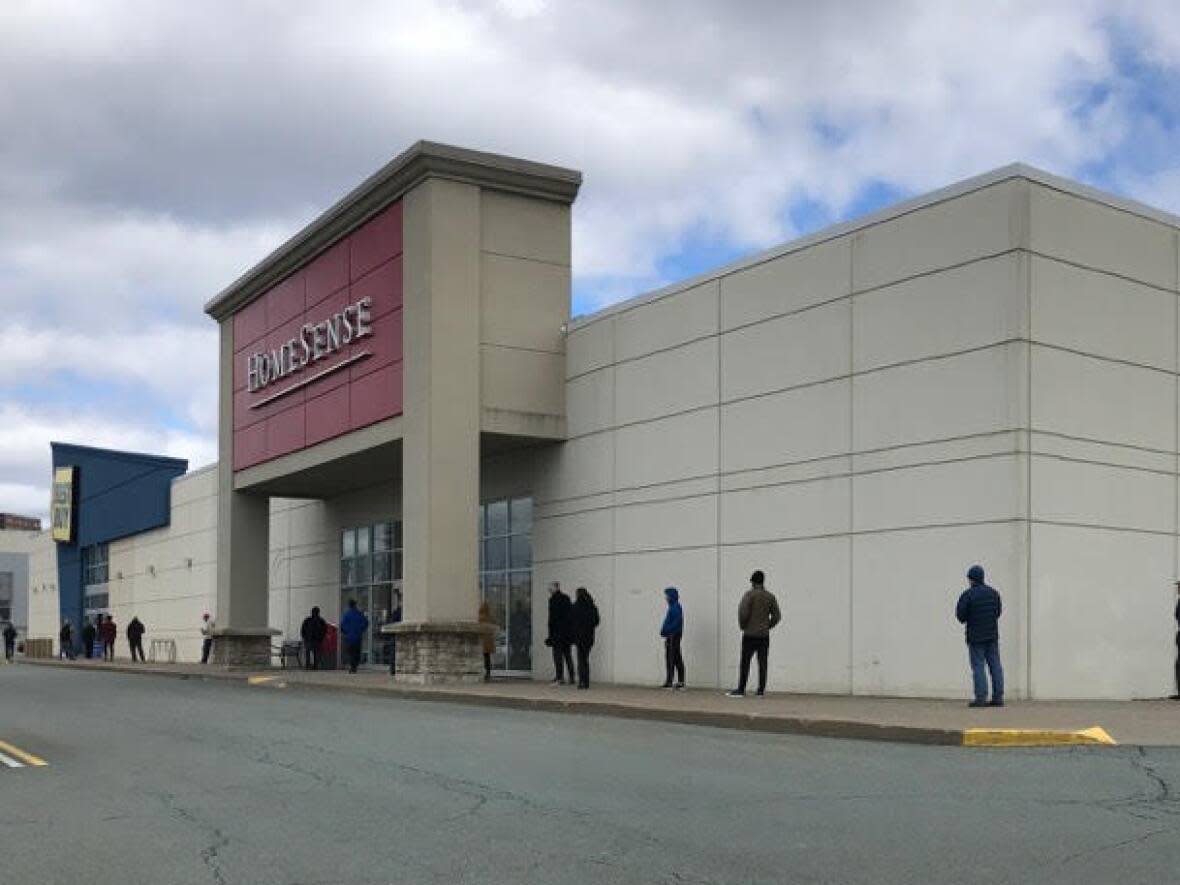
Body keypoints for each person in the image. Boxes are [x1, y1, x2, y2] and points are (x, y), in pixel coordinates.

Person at [727, 570, 782, 698]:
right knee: (762, 663)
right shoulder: (770, 596)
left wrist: (743, 625)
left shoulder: (749, 595)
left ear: (752, 581)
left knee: (745, 662)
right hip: (764, 635)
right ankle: (761, 690)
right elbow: (777, 616)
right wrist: (768, 625)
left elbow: (743, 612)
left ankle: (741, 689)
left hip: (750, 635)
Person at [955, 564, 1004, 708]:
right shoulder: (994, 593)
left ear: (971, 579)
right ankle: (998, 697)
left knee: (978, 667)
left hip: (975, 637)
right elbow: (998, 612)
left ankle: (981, 698)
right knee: (995, 665)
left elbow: (961, 616)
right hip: (992, 635)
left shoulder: (967, 595)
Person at [570, 587, 600, 690]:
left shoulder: (575, 606)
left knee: (581, 659)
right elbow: (596, 621)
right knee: (585, 659)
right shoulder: (592, 606)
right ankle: (586, 681)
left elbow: (571, 621)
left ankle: (582, 681)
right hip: (589, 636)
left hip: (579, 637)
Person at [545, 582, 575, 685]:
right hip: (566, 633)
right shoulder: (566, 598)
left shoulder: (553, 600)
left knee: (557, 656)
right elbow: (571, 616)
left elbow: (552, 619)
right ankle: (572, 677)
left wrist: (551, 634)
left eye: (550, 587)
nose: (549, 589)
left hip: (557, 633)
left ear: (556, 587)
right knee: (567, 655)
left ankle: (559, 677)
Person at [660, 587, 686, 689]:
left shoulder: (675, 608)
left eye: (667, 596)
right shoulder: (673, 607)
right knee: (674, 657)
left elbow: (675, 623)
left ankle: (672, 681)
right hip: (672, 635)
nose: (665, 598)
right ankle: (675, 681)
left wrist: (666, 631)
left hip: (673, 636)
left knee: (672, 658)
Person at [340, 599, 368, 674]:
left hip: (349, 637)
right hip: (357, 636)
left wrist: (346, 632)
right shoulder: (359, 614)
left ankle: (352, 666)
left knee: (350, 652)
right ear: (355, 605)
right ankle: (354, 666)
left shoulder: (346, 614)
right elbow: (365, 623)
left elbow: (342, 626)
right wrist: (361, 630)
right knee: (356, 652)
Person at [477, 601, 496, 681]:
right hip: (489, 641)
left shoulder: (479, 617)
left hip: (482, 641)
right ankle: (488, 673)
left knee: (483, 658)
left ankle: (484, 673)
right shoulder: (490, 617)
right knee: (487, 658)